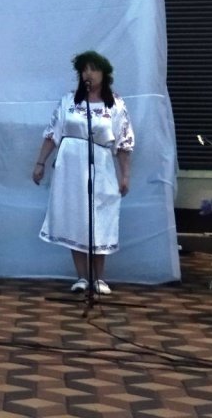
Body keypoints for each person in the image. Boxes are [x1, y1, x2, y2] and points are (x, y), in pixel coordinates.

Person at [32, 50, 134, 295]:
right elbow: (52, 133)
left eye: (94, 69)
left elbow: (123, 143)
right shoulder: (69, 101)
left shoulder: (115, 104)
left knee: (99, 218)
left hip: (100, 165)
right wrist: (40, 163)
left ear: (104, 74)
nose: (89, 74)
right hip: (70, 167)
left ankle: (99, 278)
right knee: (75, 216)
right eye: (84, 70)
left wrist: (125, 175)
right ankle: (81, 277)